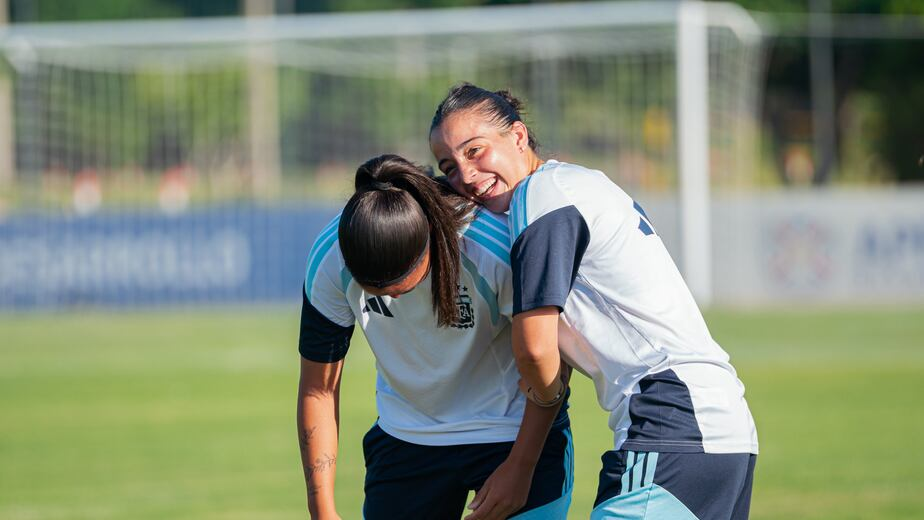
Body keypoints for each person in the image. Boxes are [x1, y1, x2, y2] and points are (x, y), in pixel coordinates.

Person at [429, 84, 759, 520]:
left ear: (518, 137)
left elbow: (534, 346)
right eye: (449, 167)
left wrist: (522, 462)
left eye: (475, 151)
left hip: (670, 422)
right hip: (718, 428)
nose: (465, 175)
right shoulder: (575, 183)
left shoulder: (542, 197)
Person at [296, 153, 573, 520]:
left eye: (398, 289)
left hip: (512, 432)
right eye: (374, 292)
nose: (388, 299)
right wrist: (322, 510)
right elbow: (319, 389)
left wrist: (520, 467)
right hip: (408, 437)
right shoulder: (330, 257)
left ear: (429, 242)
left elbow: (554, 361)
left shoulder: (493, 249)